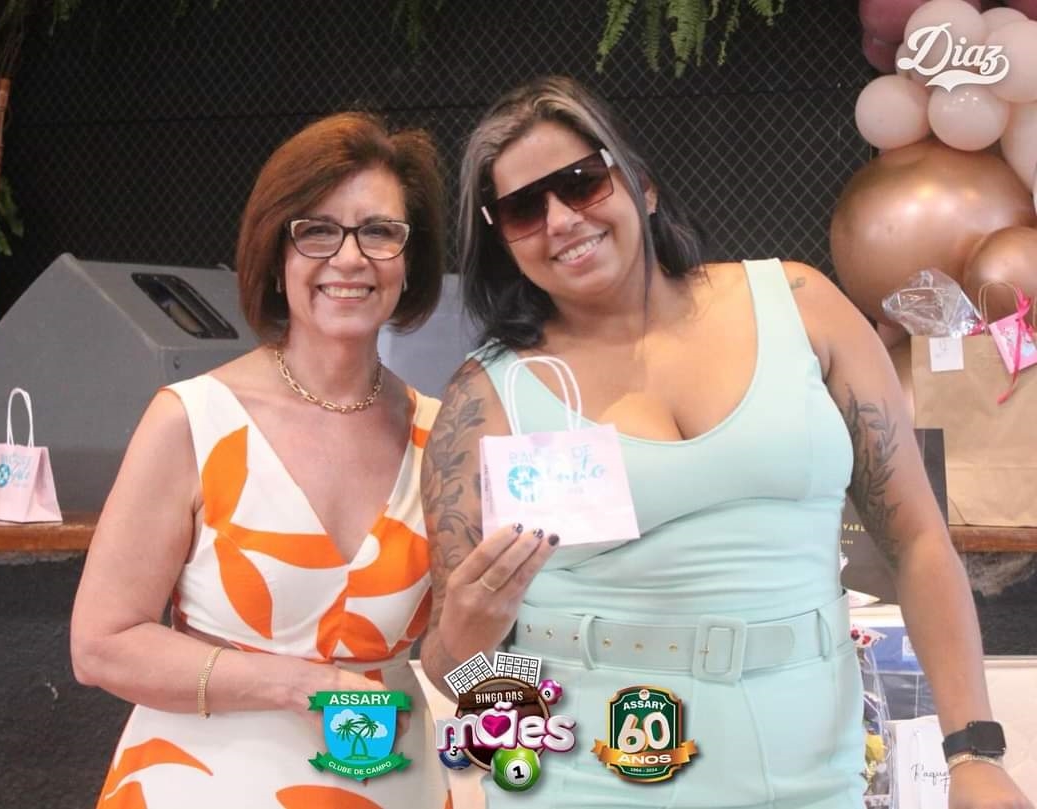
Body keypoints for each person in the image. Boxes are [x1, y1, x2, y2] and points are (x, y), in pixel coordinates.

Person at [419, 76, 1032, 809]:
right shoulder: (485, 395)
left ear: (641, 187)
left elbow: (920, 542)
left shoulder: (800, 307)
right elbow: (451, 665)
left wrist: (974, 751)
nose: (560, 219)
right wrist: (474, 640)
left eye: (581, 183)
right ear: (503, 241)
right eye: (524, 208)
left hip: (806, 774)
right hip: (586, 779)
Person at [71, 112, 454, 808]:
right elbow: (100, 645)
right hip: (202, 786)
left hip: (393, 787)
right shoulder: (192, 419)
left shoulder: (443, 435)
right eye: (317, 230)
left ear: (410, 258)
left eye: (379, 231)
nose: (350, 258)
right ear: (276, 256)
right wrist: (299, 684)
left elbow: (468, 652)